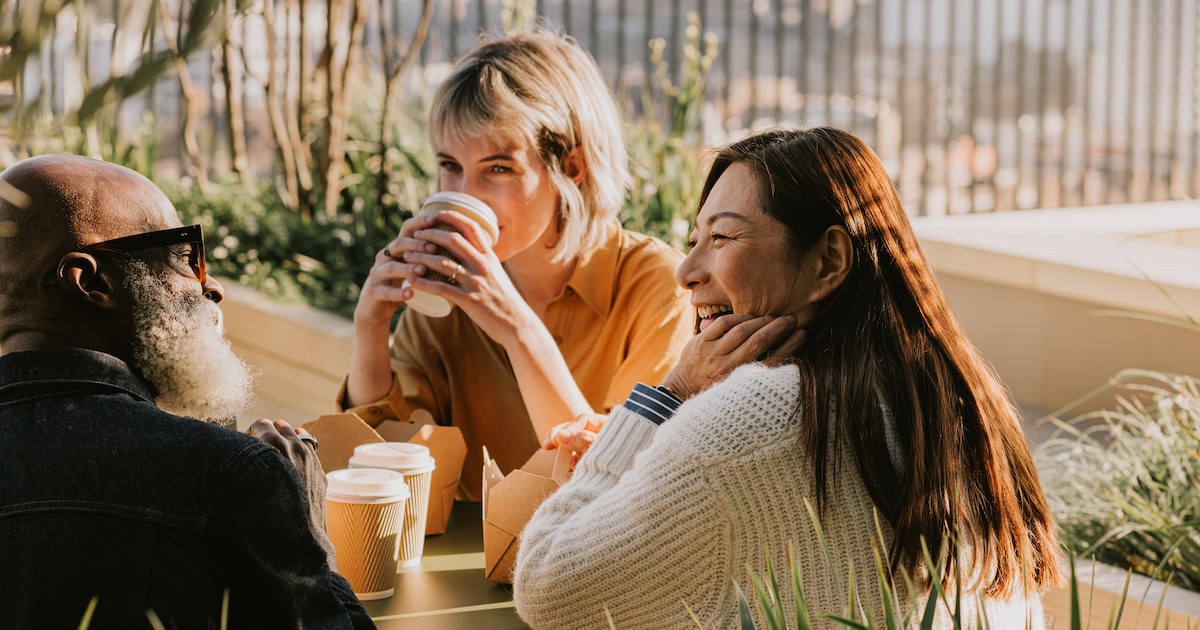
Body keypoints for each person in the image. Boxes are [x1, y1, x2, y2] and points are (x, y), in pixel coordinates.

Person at [513, 127, 1064, 628]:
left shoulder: (752, 419)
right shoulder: (957, 396)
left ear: (828, 262)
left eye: (723, 238)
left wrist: (668, 397)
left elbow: (549, 590)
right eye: (692, 240)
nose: (686, 273)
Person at [0, 154, 374, 628]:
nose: (211, 285)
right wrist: (310, 533)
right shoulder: (228, 474)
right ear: (91, 281)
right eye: (182, 257)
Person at [340, 29, 693, 500]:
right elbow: (379, 474)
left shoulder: (660, 288)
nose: (464, 194)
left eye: (498, 168)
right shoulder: (444, 301)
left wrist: (516, 328)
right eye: (450, 165)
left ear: (572, 167)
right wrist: (370, 329)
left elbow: (618, 489)